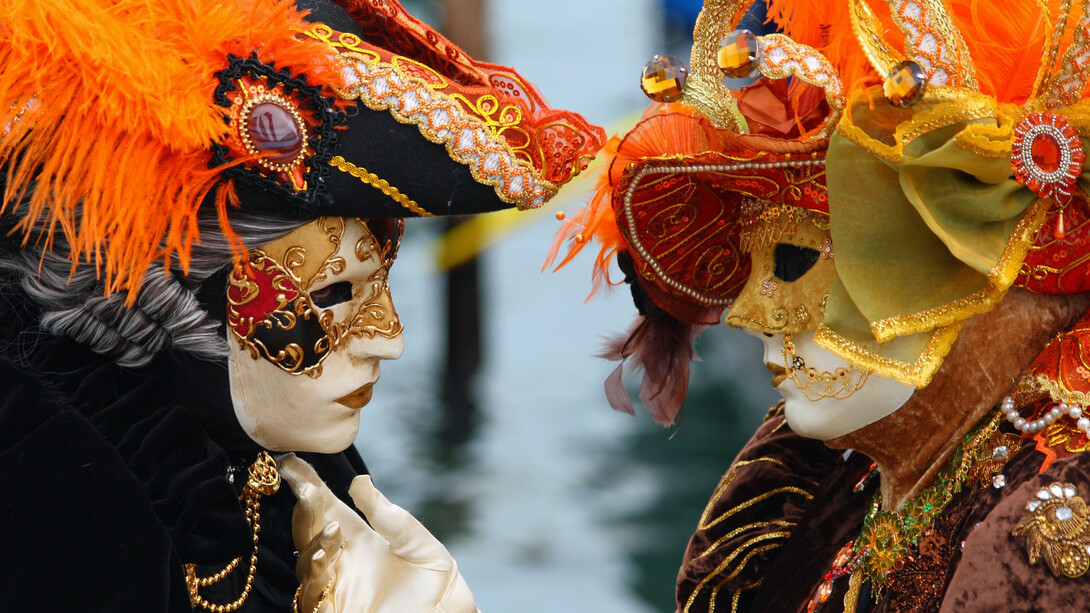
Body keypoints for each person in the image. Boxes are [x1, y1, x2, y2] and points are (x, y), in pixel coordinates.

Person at [0, 1, 604, 611]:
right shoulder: (59, 483)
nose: (389, 339)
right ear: (165, 292)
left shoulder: (278, 453)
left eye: (380, 283)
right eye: (333, 293)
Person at [556, 0, 1090, 610]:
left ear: (971, 263)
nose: (745, 318)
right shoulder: (810, 473)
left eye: (795, 264)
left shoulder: (1050, 532)